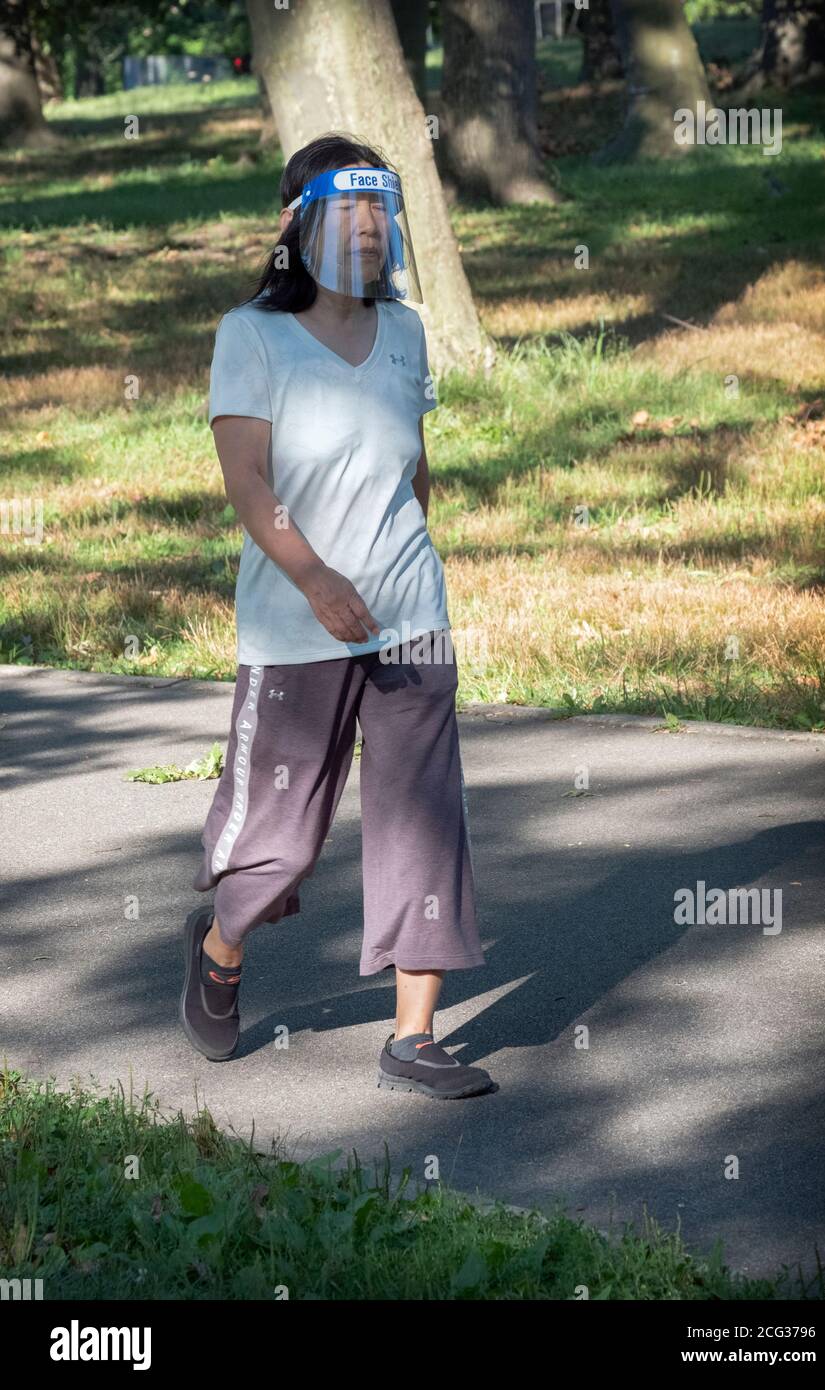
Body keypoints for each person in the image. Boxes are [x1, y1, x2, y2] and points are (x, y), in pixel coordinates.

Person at [180, 133, 492, 1100]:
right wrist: (316, 576)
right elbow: (247, 480)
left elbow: (413, 467)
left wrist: (408, 575)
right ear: (299, 224)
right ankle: (223, 946)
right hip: (296, 629)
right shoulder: (253, 336)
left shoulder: (404, 330)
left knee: (423, 825)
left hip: (412, 621)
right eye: (345, 209)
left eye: (378, 210)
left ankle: (414, 1035)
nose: (365, 227)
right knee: (281, 844)